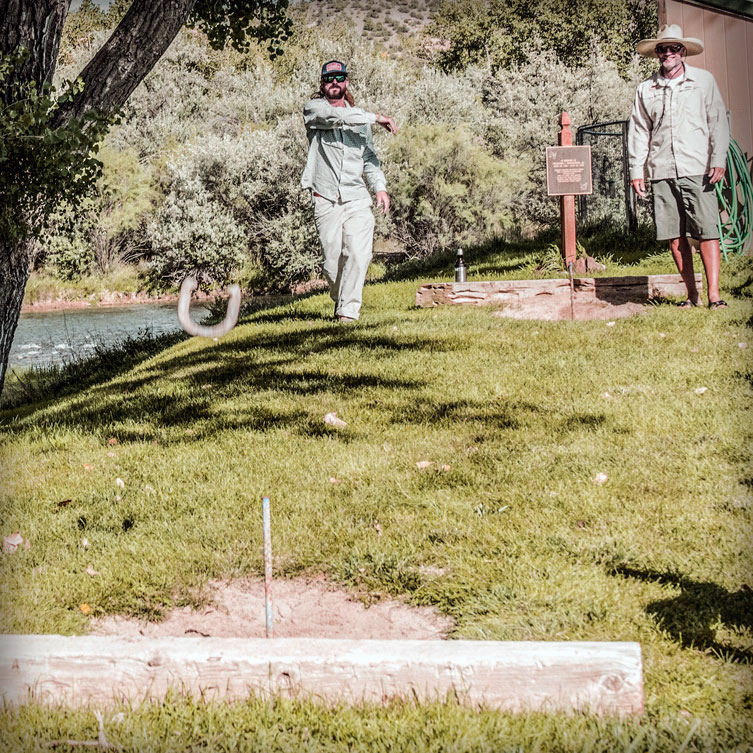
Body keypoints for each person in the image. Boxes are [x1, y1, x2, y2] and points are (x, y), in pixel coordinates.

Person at [628, 24, 730, 309]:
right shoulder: (645, 89)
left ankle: (714, 295)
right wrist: (637, 171)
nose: (668, 53)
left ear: (683, 52)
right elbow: (638, 132)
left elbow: (717, 122)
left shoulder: (703, 81)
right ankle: (692, 295)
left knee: (707, 231)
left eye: (673, 48)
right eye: (662, 49)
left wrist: (718, 159)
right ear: (657, 54)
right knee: (675, 236)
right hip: (661, 170)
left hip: (698, 168)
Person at [301, 60, 397, 322]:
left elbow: (369, 157)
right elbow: (338, 117)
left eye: (339, 77)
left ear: (346, 82)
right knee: (332, 264)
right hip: (326, 198)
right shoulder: (314, 110)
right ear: (322, 84)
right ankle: (340, 298)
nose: (335, 82)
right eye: (329, 78)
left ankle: (347, 312)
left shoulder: (360, 119)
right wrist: (378, 117)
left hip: (356, 197)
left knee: (358, 251)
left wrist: (380, 187)